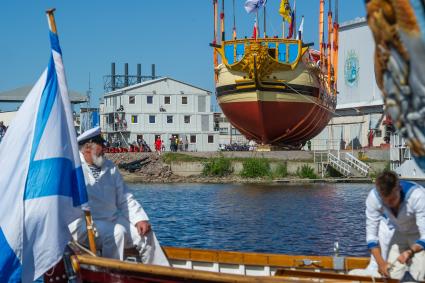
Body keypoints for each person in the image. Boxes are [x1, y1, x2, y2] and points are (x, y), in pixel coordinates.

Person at [69, 127, 169, 266]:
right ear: (87, 148)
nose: (105, 148)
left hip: (111, 219)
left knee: (146, 234)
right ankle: (112, 276)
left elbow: (125, 198)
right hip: (84, 224)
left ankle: (160, 274)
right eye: (101, 145)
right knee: (117, 233)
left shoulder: (110, 167)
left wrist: (139, 219)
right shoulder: (73, 168)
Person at [365, 171, 425, 280]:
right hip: (399, 232)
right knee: (390, 274)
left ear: (398, 188)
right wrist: (381, 264)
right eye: (385, 201)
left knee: (420, 275)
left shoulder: (418, 196)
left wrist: (410, 251)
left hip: (418, 234)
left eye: (392, 199)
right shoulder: (374, 197)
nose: (389, 204)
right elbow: (371, 237)